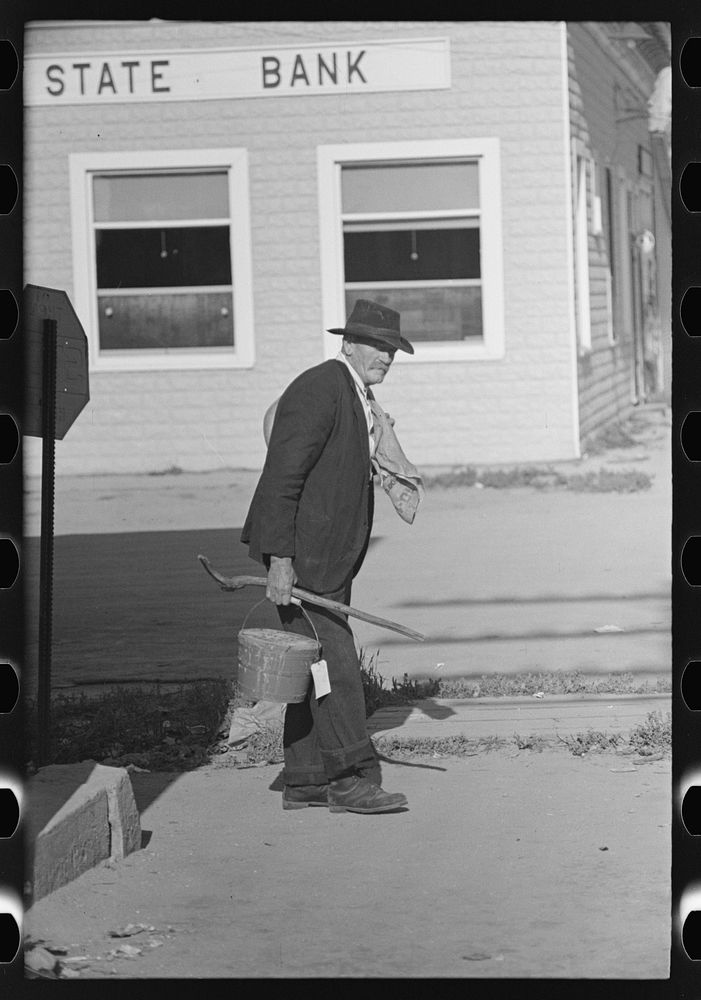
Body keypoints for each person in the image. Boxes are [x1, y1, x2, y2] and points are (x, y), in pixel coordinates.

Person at [240, 299, 419, 814]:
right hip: (304, 562)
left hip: (324, 560)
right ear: (348, 344)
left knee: (306, 665)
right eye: (377, 345)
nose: (386, 356)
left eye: (392, 349)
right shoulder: (321, 387)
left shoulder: (355, 394)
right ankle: (347, 777)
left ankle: (305, 779)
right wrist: (279, 559)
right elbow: (282, 479)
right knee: (335, 664)